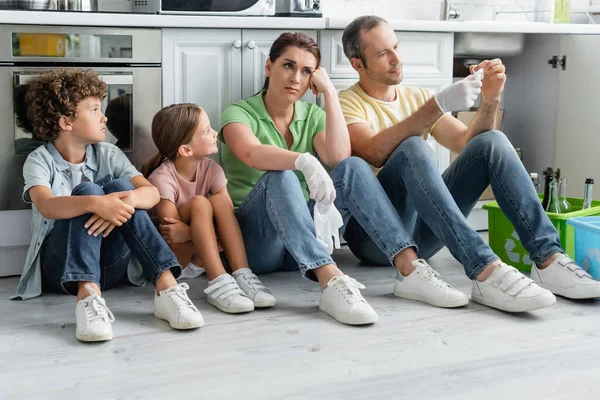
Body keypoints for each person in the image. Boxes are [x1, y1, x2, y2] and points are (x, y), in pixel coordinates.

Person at [337, 15, 600, 312]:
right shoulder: (346, 102)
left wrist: (490, 99)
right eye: (383, 53)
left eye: (396, 47)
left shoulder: (416, 96)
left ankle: (548, 258)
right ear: (358, 64)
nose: (397, 59)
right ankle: (484, 268)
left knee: (493, 143)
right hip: (374, 239)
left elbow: (466, 142)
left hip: (424, 233)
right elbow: (373, 151)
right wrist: (437, 105)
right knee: (412, 146)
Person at [12, 69, 204, 342]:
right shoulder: (39, 160)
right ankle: (88, 296)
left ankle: (167, 289)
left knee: (123, 188)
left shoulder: (109, 154)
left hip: (110, 266)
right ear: (66, 122)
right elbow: (47, 206)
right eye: (93, 110)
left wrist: (126, 200)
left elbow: (150, 193)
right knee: (89, 191)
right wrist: (95, 203)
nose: (104, 117)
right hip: (60, 268)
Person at [143, 103, 275, 314]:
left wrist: (191, 233)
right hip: (176, 261)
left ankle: (242, 274)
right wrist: (207, 238)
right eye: (207, 131)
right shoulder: (162, 178)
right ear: (185, 149)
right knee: (200, 203)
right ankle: (218, 281)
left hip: (200, 254)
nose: (215, 133)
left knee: (220, 202)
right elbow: (171, 236)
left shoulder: (213, 169)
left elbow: (227, 220)